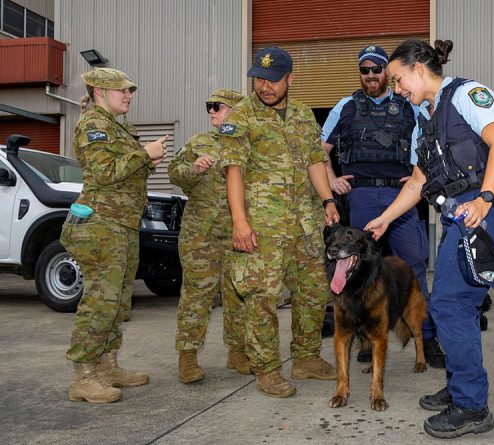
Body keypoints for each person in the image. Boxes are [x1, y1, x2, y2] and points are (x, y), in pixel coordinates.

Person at [365, 38, 494, 439]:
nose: (397, 88)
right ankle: (460, 387)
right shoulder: (423, 118)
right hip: (458, 214)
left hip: (487, 207)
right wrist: (384, 218)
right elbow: (418, 182)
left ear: (418, 68)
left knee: (452, 303)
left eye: (398, 79)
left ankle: (471, 405)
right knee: (451, 303)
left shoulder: (468, 94)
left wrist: (485, 198)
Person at [217, 47, 339, 398]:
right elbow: (233, 172)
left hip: (304, 222)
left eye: (272, 80)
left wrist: (328, 200)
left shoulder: (302, 114)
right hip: (262, 225)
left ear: (290, 79)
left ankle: (305, 358)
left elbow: (315, 161)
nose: (264, 86)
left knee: (315, 292)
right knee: (262, 298)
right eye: (258, 79)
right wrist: (240, 222)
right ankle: (267, 369)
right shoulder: (240, 117)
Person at [320, 44, 444, 368]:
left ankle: (426, 337)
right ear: (360, 73)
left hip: (400, 198)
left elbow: (432, 140)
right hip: (360, 197)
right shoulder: (346, 106)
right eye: (365, 70)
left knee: (414, 265)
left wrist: (422, 176)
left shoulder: (408, 104)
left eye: (377, 70)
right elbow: (318, 150)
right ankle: (363, 336)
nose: (371, 76)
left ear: (386, 74)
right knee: (357, 269)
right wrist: (331, 178)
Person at [62, 68, 168, 403]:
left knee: (118, 302)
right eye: (121, 91)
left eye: (130, 91)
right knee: (100, 301)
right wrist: (145, 154)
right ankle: (83, 376)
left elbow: (125, 173)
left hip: (121, 224)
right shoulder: (93, 125)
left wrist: (142, 169)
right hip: (101, 225)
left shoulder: (117, 127)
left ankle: (106, 366)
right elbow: (105, 173)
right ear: (98, 92)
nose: (128, 96)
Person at [168, 89, 248, 384]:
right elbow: (174, 172)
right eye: (209, 107)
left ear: (235, 111)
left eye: (217, 107)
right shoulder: (198, 142)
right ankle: (187, 356)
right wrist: (193, 168)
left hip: (236, 232)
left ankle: (237, 351)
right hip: (199, 234)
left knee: (237, 295)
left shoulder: (246, 144)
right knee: (197, 295)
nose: (211, 111)